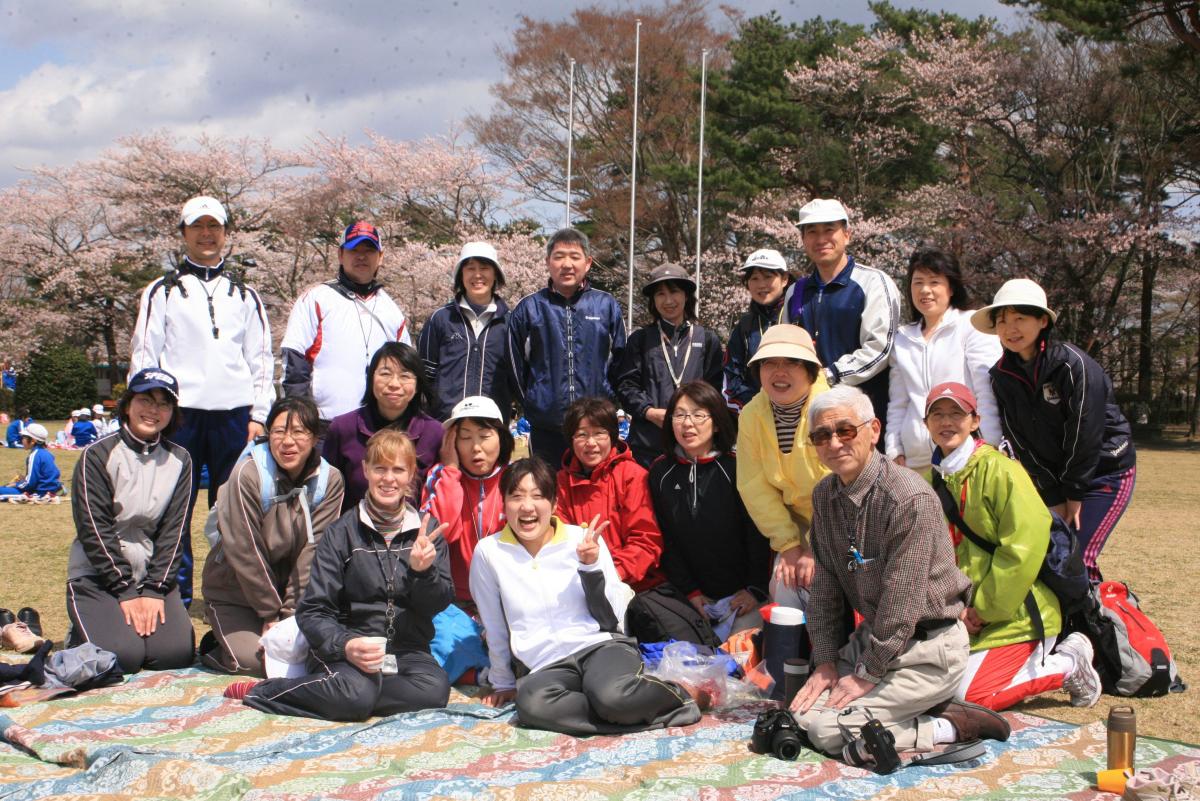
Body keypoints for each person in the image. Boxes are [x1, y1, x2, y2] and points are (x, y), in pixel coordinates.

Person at [790, 385, 1010, 762]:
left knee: (830, 732)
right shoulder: (825, 495)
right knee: (800, 714)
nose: (834, 443)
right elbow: (825, 585)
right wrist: (825, 661)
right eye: (822, 436)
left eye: (845, 430)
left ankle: (951, 724)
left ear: (873, 430)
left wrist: (866, 674)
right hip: (877, 637)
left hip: (928, 647)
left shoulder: (908, 498)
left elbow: (902, 600)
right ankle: (913, 709)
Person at [231, 428, 454, 721]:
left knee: (434, 692)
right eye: (380, 468)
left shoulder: (427, 532)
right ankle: (267, 691)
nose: (389, 479)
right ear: (366, 470)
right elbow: (313, 610)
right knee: (354, 694)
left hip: (405, 649)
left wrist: (422, 572)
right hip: (345, 650)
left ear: (411, 474)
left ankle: (344, 695)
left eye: (398, 469)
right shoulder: (342, 532)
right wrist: (346, 645)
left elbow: (437, 603)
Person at [470, 457, 702, 735]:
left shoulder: (583, 540)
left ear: (554, 504)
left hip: (599, 647)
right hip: (546, 664)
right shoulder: (489, 552)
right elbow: (493, 623)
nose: (527, 507)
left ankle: (681, 695)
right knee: (531, 705)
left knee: (612, 697)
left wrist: (590, 566)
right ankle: (633, 711)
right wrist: (503, 682)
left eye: (538, 496)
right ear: (504, 503)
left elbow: (611, 617)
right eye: (516, 496)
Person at [128, 195, 275, 606]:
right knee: (172, 507)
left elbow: (261, 359)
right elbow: (145, 354)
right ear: (184, 233)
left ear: (227, 233)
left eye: (215, 226)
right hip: (180, 415)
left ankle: (230, 593)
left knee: (235, 512)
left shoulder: (245, 294)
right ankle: (176, 593)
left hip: (235, 416)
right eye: (198, 227)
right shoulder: (162, 291)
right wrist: (145, 410)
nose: (207, 234)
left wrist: (259, 415)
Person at [923, 382, 1101, 711]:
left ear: (975, 421)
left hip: (1018, 614)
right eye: (938, 415)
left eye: (956, 414)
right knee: (928, 689)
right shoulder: (932, 478)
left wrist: (985, 609)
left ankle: (1067, 666)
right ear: (926, 424)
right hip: (967, 618)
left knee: (969, 697)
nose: (946, 422)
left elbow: (1024, 547)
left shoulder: (1001, 470)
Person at [972, 279, 1136, 580]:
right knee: (1055, 556)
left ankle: (1097, 624)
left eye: (1020, 318)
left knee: (1079, 556)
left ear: (1042, 320)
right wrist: (1053, 494)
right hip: (1059, 481)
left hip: (1106, 470)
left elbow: (1085, 432)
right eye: (1002, 321)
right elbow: (1020, 440)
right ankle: (1073, 622)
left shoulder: (1072, 366)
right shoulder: (1001, 376)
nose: (1010, 329)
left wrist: (1073, 493)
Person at [200, 397, 347, 676]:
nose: (288, 441)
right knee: (257, 662)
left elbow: (313, 551)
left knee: (308, 657)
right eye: (279, 431)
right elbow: (244, 547)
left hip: (290, 593)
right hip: (235, 591)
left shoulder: (330, 480)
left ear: (315, 437)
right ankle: (215, 645)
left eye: (299, 432)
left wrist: (289, 616)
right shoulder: (247, 474)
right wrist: (269, 612)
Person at [65, 368, 195, 674]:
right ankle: (81, 631)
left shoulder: (180, 460)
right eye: (145, 400)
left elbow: (174, 532)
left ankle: (123, 624)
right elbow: (94, 529)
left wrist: (153, 590)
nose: (153, 410)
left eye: (164, 404)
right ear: (127, 404)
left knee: (173, 654)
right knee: (123, 656)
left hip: (150, 573)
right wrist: (124, 590)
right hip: (99, 574)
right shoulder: (97, 456)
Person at [649, 381, 770, 634]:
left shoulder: (737, 467)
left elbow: (757, 532)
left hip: (742, 597)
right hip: (689, 597)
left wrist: (754, 590)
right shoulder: (661, 471)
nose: (687, 423)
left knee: (739, 659)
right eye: (679, 415)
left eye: (698, 415)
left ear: (716, 423)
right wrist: (690, 592)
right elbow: (666, 539)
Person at [782, 199, 900, 443]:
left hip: (862, 416)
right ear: (803, 240)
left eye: (829, 229)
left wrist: (831, 374)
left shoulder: (873, 283)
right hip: (811, 418)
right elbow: (785, 349)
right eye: (812, 231)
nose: (820, 238)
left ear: (847, 234)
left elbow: (880, 349)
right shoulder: (796, 292)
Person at [507, 228, 627, 465]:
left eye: (574, 256)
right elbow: (513, 364)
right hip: (546, 426)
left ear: (588, 263)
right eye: (559, 256)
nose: (567, 264)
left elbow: (622, 360)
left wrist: (609, 401)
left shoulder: (606, 305)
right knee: (549, 492)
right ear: (547, 262)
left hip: (595, 425)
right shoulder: (529, 308)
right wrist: (532, 403)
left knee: (596, 492)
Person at [734, 325, 831, 608]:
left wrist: (816, 548)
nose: (779, 372)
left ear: (811, 370)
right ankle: (789, 652)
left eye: (791, 363)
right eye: (770, 363)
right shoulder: (752, 414)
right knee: (784, 583)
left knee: (825, 586)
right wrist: (788, 546)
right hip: (792, 529)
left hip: (841, 526)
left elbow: (839, 485)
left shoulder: (831, 409)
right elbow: (754, 485)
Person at [281, 221, 411, 423]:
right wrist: (303, 417)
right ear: (341, 255)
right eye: (353, 249)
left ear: (380, 257)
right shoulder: (316, 299)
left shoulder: (391, 310)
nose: (361, 256)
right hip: (325, 422)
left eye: (369, 250)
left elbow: (406, 369)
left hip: (380, 425)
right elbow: (295, 361)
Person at [886, 248, 1002, 472]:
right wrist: (894, 449)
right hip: (915, 457)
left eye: (934, 282)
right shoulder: (902, 338)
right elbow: (899, 403)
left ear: (951, 288)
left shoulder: (971, 326)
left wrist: (991, 444)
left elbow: (986, 391)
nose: (925, 290)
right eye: (917, 282)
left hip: (965, 453)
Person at [615, 263, 724, 467]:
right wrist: (648, 411)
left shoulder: (707, 339)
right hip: (648, 444)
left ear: (686, 296)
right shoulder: (640, 339)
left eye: (674, 292)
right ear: (652, 300)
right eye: (660, 294)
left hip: (695, 443)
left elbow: (714, 390)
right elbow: (626, 385)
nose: (668, 300)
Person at [555, 397, 664, 593]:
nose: (591, 443)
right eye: (581, 435)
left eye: (599, 434)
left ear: (613, 436)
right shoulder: (559, 483)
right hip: (577, 584)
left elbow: (645, 541)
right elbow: (556, 541)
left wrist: (611, 573)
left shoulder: (632, 475)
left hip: (633, 585)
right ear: (571, 439)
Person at [323, 342, 444, 512]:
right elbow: (326, 491)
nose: (394, 383)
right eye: (385, 374)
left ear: (417, 385)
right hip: (353, 532)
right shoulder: (342, 428)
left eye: (405, 376)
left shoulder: (435, 433)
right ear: (371, 378)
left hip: (413, 534)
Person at [420, 395, 513, 609]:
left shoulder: (515, 478)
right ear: (452, 441)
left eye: (484, 435)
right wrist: (451, 471)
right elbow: (441, 533)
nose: (476, 447)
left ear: (501, 437)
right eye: (465, 437)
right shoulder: (440, 476)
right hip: (454, 601)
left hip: (507, 596)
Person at [418, 241, 514, 423]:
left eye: (484, 268)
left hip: (492, 424)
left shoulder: (510, 322)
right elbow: (424, 375)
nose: (477, 275)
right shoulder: (441, 318)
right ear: (460, 274)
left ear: (495, 274)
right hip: (445, 423)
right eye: (470, 268)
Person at [723, 249, 791, 412]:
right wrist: (754, 407)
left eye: (768, 277)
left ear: (784, 279)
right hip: (758, 416)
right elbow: (732, 377)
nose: (761, 284)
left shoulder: (799, 315)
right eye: (754, 278)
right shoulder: (745, 326)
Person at [0, 423, 61, 498]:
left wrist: (16, 484)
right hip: (50, 489)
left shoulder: (34, 455)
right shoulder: (47, 453)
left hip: (39, 492)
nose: (21, 439)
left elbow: (30, 484)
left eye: (24, 437)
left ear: (32, 441)